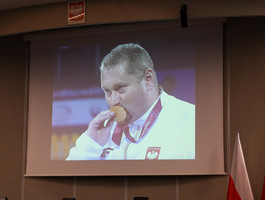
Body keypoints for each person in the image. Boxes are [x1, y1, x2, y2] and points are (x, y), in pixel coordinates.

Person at [66, 43, 195, 160]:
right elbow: (69, 182)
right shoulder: (102, 131)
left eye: (121, 89)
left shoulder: (189, 122)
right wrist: (91, 146)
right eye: (108, 92)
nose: (113, 101)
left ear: (148, 79)